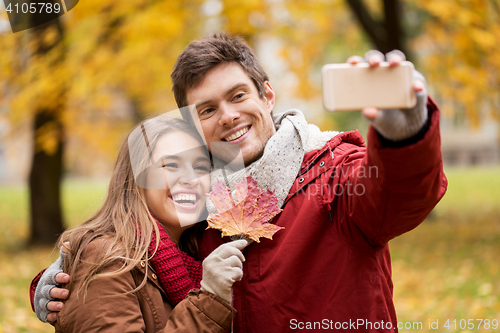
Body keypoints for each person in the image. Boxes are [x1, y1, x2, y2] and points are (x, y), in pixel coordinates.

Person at [33, 32, 447, 333]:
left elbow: (402, 194)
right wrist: (65, 277)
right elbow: (136, 257)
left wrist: (404, 133)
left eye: (237, 96)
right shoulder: (201, 205)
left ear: (267, 95)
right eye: (207, 109)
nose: (228, 116)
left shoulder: (335, 174)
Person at [32, 116, 248, 332]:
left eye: (201, 167)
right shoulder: (107, 260)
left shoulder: (198, 251)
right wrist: (208, 301)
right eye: (171, 165)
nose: (191, 179)